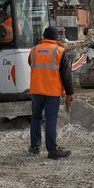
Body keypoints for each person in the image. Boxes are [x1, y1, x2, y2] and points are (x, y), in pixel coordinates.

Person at [28, 27, 74, 159]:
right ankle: (52, 150)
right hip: (52, 92)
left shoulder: (34, 50)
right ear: (55, 38)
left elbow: (30, 63)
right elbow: (66, 74)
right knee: (50, 120)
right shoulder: (59, 51)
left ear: (44, 37)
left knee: (35, 117)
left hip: (36, 91)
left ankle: (35, 146)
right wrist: (69, 93)